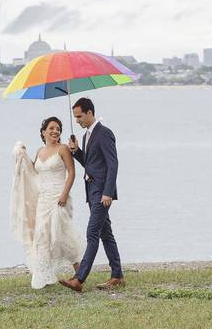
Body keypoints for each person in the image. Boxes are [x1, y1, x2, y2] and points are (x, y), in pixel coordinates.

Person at [58, 97, 125, 292]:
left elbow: (113, 164)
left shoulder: (104, 133)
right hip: (92, 191)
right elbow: (91, 164)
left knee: (92, 233)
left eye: (79, 116)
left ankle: (79, 279)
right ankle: (117, 275)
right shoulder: (87, 136)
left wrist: (108, 192)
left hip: (102, 193)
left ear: (89, 113)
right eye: (75, 117)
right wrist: (77, 151)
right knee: (106, 233)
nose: (77, 120)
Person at [10, 117, 84, 289]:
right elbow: (34, 171)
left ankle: (80, 272)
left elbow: (72, 173)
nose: (55, 131)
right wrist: (22, 155)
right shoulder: (40, 151)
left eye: (58, 128)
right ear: (43, 132)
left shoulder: (63, 149)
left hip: (59, 197)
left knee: (61, 234)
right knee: (42, 235)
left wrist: (64, 195)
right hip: (43, 200)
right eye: (51, 128)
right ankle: (44, 276)